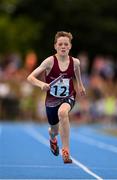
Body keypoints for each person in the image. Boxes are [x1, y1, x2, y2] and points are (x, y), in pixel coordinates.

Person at [27, 31, 86, 163]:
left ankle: (66, 151)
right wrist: (41, 84)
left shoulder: (75, 62)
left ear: (70, 46)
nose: (63, 46)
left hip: (68, 96)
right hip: (51, 100)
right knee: (54, 130)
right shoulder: (49, 62)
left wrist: (80, 85)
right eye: (60, 44)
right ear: (55, 46)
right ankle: (53, 139)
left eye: (66, 44)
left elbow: (77, 72)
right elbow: (30, 77)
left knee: (63, 112)